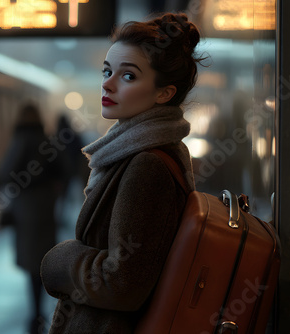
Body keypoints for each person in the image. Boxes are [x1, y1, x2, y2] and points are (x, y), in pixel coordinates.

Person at [40, 13, 205, 333]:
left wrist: (58, 261)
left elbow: (122, 283)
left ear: (164, 93)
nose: (107, 83)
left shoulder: (147, 165)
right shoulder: (138, 152)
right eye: (107, 71)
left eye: (128, 76)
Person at [0, 103, 65, 334]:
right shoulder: (47, 140)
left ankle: (35, 314)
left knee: (31, 262)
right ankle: (41, 310)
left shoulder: (22, 139)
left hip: (27, 208)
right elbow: (63, 169)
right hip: (46, 206)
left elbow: (5, 171)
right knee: (43, 259)